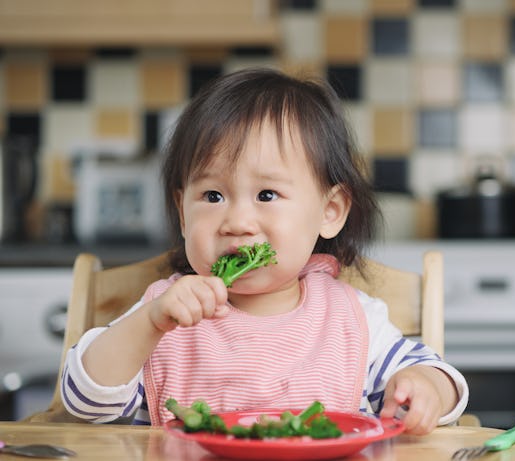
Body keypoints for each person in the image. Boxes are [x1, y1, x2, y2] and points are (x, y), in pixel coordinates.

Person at [61, 68, 468, 434]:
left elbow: (439, 378)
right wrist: (148, 324)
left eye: (267, 194)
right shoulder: (162, 314)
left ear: (329, 212)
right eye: (213, 195)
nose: (237, 221)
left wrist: (427, 386)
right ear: (183, 214)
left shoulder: (351, 319)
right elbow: (84, 402)